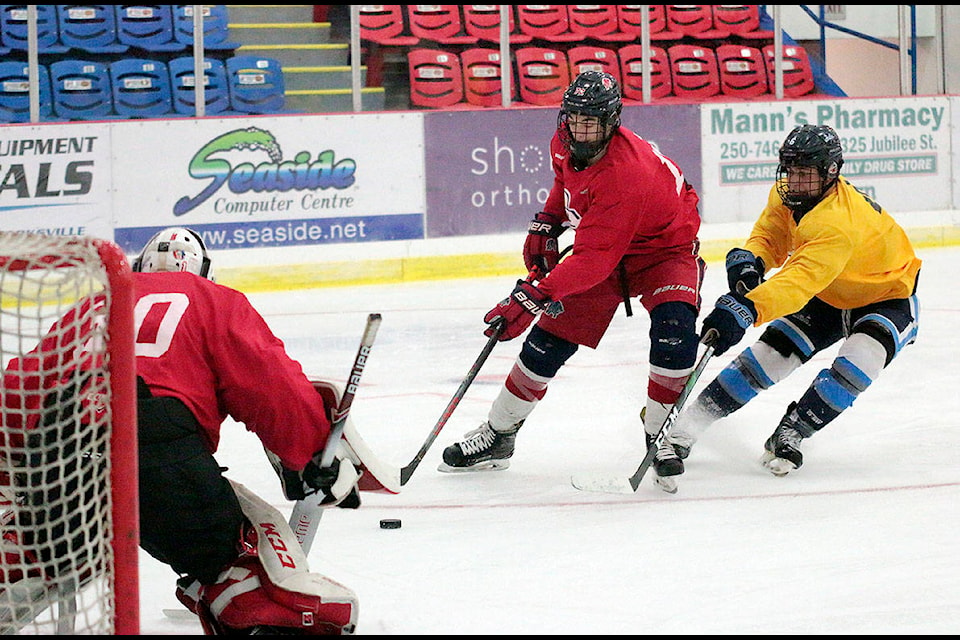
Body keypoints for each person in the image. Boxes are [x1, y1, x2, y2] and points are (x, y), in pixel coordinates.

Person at [1, 227, 398, 634]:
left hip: (55, 451)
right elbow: (270, 386)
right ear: (204, 271)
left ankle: (25, 554)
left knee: (47, 545)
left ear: (138, 266)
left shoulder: (95, 305)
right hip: (154, 449)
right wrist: (311, 454)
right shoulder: (213, 299)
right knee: (253, 575)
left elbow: (19, 387)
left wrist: (15, 476)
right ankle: (235, 592)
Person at [438, 71, 706, 473]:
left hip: (662, 250)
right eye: (575, 118)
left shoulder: (627, 174)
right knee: (547, 342)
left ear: (612, 122)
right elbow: (566, 186)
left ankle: (659, 432)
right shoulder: (563, 143)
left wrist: (532, 296)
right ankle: (499, 433)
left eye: (591, 121)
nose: (580, 129)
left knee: (675, 328)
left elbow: (594, 260)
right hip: (605, 243)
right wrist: (548, 220)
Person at [652, 123, 922, 491]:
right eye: (790, 171)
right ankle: (687, 427)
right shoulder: (791, 195)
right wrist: (752, 260)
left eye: (804, 173)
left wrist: (747, 307)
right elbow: (771, 236)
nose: (794, 181)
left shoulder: (837, 223)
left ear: (831, 173)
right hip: (831, 292)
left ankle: (793, 430)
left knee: (859, 362)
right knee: (767, 358)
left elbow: (798, 282)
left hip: (886, 297)